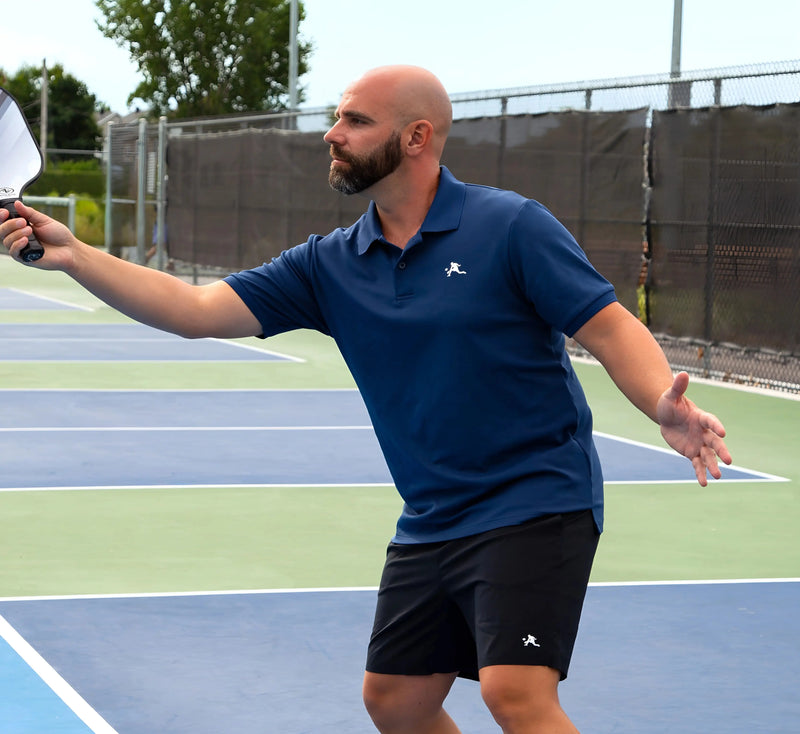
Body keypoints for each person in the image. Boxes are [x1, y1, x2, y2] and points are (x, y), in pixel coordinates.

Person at [1, 65, 731, 734]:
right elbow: (195, 311)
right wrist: (73, 256)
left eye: (354, 120)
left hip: (534, 499)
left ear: (416, 137)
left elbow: (608, 325)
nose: (332, 133)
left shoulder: (508, 226)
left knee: (514, 693)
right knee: (396, 701)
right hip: (434, 512)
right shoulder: (329, 264)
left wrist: (657, 404)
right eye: (337, 118)